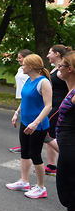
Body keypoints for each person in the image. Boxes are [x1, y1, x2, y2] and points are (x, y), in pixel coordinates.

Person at [7, 54, 52, 199]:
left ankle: (41, 187)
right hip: (26, 122)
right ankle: (24, 182)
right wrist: (16, 113)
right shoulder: (28, 80)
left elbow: (49, 106)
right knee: (24, 152)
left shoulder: (43, 82)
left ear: (30, 67)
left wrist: (36, 122)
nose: (21, 66)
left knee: (35, 155)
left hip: (37, 125)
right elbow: (25, 99)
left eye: (24, 64)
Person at [44, 51, 75, 211]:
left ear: (70, 69)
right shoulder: (71, 90)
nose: (58, 69)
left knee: (70, 196)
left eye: (61, 66)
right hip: (67, 149)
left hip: (72, 151)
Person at [42, 45, 72, 175]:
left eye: (50, 53)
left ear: (57, 54)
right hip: (52, 104)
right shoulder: (56, 69)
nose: (48, 55)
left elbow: (71, 88)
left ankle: (68, 157)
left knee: (46, 134)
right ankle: (52, 165)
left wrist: (65, 103)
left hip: (58, 106)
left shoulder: (62, 71)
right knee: (51, 135)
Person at [10, 49, 32, 153]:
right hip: (23, 96)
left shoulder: (31, 70)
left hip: (29, 96)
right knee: (24, 121)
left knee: (28, 123)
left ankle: (26, 146)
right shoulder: (21, 69)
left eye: (20, 57)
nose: (18, 59)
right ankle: (23, 145)